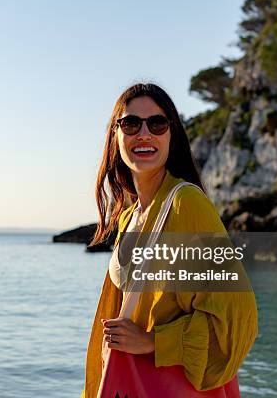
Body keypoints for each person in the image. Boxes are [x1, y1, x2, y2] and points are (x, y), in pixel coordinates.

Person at [80, 83, 258, 397]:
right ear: (115, 135)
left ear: (171, 134)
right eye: (131, 124)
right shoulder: (129, 216)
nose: (144, 134)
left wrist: (153, 342)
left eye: (157, 124)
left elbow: (236, 316)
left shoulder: (186, 203)